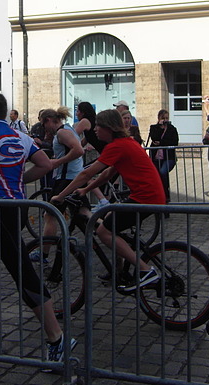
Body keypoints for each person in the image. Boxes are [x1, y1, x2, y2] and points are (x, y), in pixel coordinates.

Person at [0, 92, 74, 364]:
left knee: (23, 274)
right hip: (16, 209)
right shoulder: (20, 136)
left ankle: (58, 339)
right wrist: (21, 179)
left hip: (0, 211)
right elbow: (45, 165)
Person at [51, 109, 166, 292]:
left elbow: (87, 173)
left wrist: (61, 195)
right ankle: (120, 271)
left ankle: (145, 271)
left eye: (98, 126)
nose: (95, 130)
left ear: (109, 128)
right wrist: (86, 189)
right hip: (148, 196)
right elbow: (107, 173)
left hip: (145, 198)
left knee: (104, 231)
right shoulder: (123, 143)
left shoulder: (117, 146)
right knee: (109, 221)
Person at [32, 107, 84, 251]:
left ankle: (43, 254)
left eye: (43, 125)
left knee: (50, 215)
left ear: (48, 120)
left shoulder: (62, 132)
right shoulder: (66, 130)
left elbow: (79, 150)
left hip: (66, 178)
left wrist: (59, 161)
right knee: (84, 214)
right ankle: (109, 234)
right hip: (73, 176)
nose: (44, 129)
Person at [147, 110, 179, 201]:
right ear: (159, 118)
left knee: (163, 172)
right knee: (157, 176)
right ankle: (159, 195)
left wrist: (161, 143)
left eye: (166, 118)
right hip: (156, 157)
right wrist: (159, 127)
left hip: (168, 157)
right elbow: (154, 138)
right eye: (163, 118)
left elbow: (174, 142)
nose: (165, 120)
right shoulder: (154, 128)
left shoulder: (172, 129)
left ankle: (166, 193)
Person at [30, 109, 55, 192]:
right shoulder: (36, 127)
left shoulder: (54, 129)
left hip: (52, 158)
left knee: (52, 182)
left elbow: (53, 145)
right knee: (43, 182)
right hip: (41, 157)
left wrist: (42, 143)